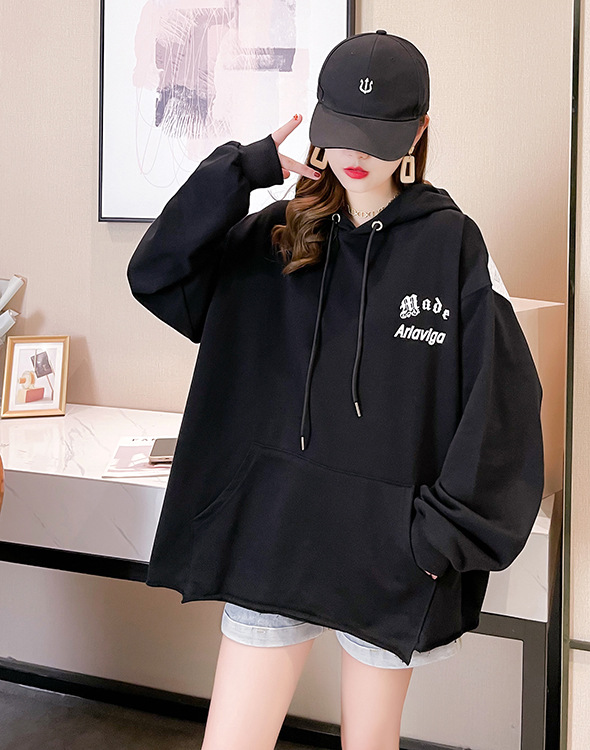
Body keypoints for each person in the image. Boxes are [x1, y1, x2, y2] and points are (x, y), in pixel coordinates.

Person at [127, 29, 544, 750]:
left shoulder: (452, 246)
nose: (355, 153)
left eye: (377, 135)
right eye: (342, 129)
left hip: (388, 553)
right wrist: (239, 171)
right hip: (274, 533)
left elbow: (502, 406)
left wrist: (435, 539)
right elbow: (157, 273)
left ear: (418, 131)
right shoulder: (280, 234)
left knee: (369, 742)